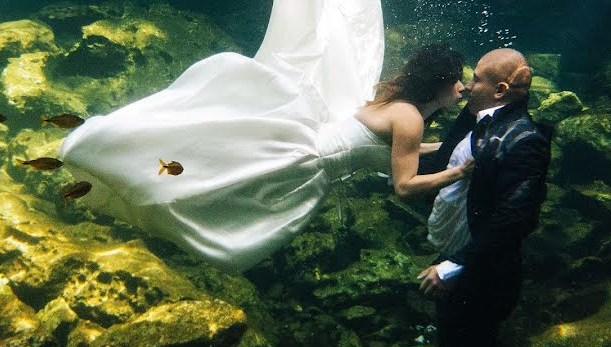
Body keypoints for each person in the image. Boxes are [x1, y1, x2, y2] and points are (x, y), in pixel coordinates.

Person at [59, 42, 471, 273]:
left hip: (303, 149)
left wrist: (450, 148)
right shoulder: (411, 117)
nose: (465, 88)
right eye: (460, 82)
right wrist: (459, 171)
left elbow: (401, 152)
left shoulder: (398, 106)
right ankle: (137, 182)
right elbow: (403, 184)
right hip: (303, 165)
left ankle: (130, 169)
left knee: (208, 168)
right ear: (442, 83)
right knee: (206, 184)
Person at [416, 48, 578, 347]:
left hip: (485, 273)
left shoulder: (525, 140)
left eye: (476, 80)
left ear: (501, 90)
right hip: (471, 260)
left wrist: (455, 266)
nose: (468, 85)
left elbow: (515, 219)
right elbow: (442, 161)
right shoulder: (481, 121)